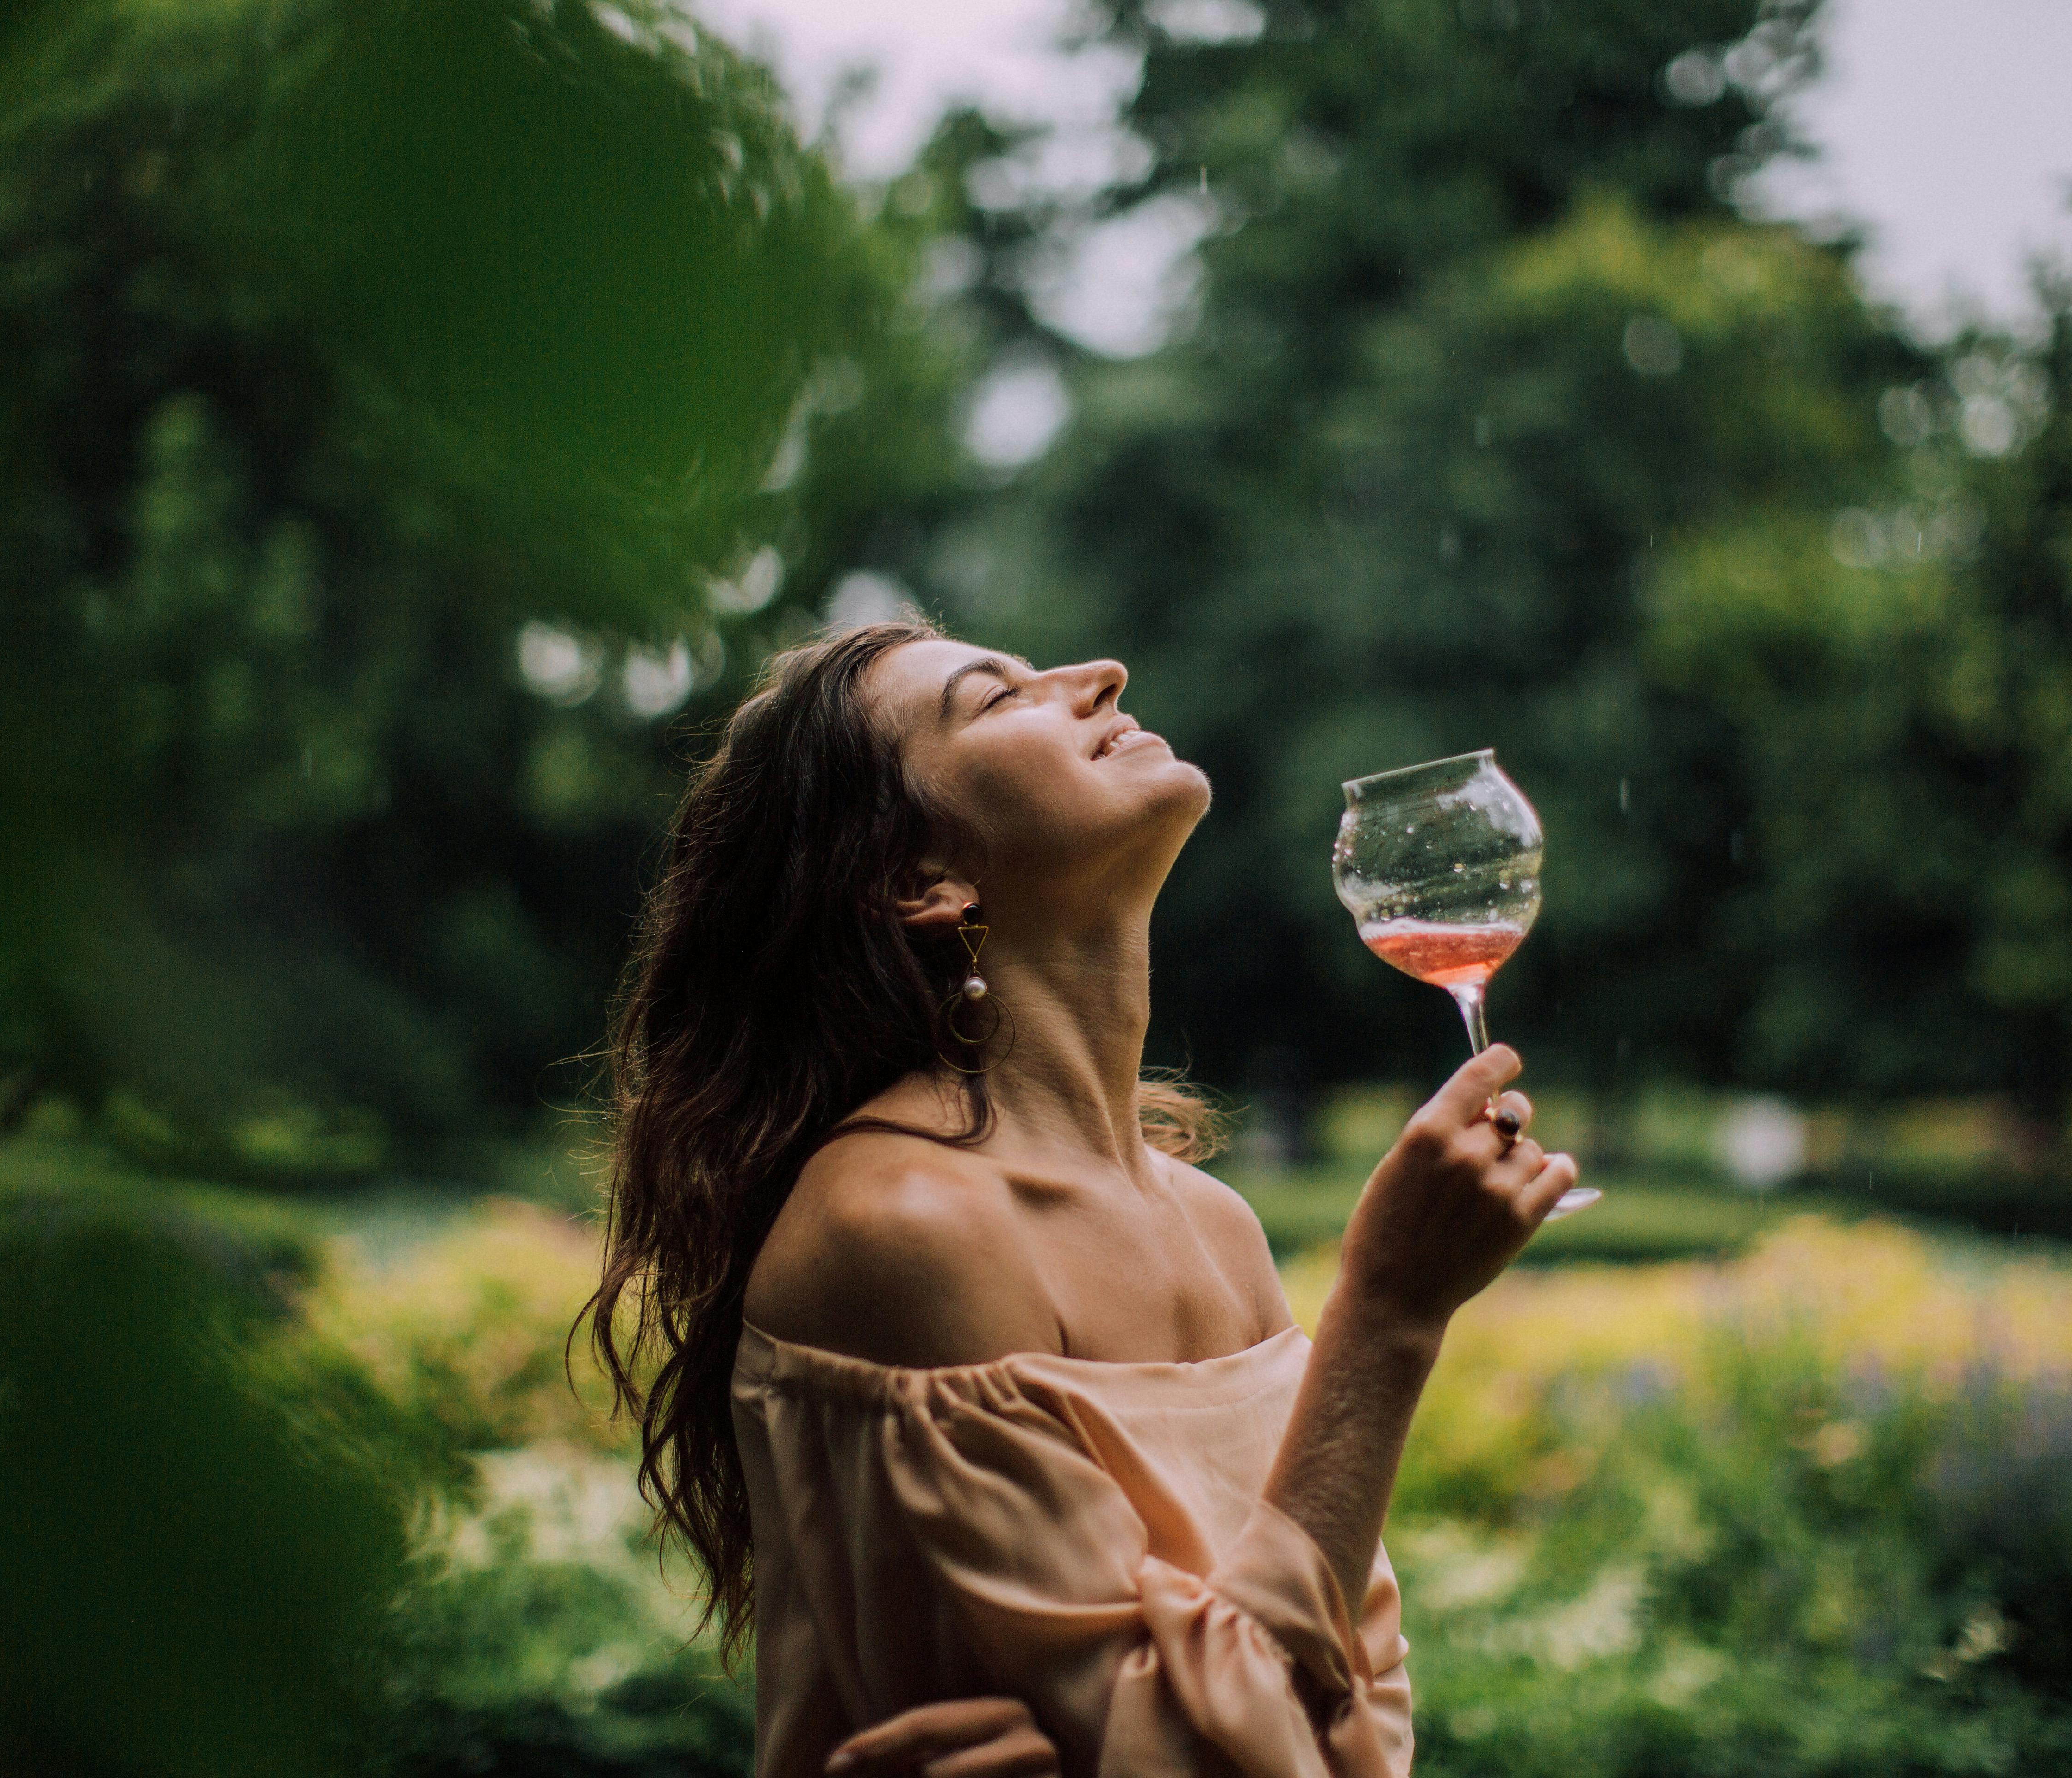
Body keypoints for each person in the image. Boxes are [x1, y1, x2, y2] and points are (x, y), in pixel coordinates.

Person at [585, 620, 1581, 1778]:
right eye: (995, 699)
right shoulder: (902, 1229)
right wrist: (1391, 1313)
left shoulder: (1218, 1227)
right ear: (920, 880)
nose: (1102, 675)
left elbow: (1356, 1713)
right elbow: (1205, 1752)